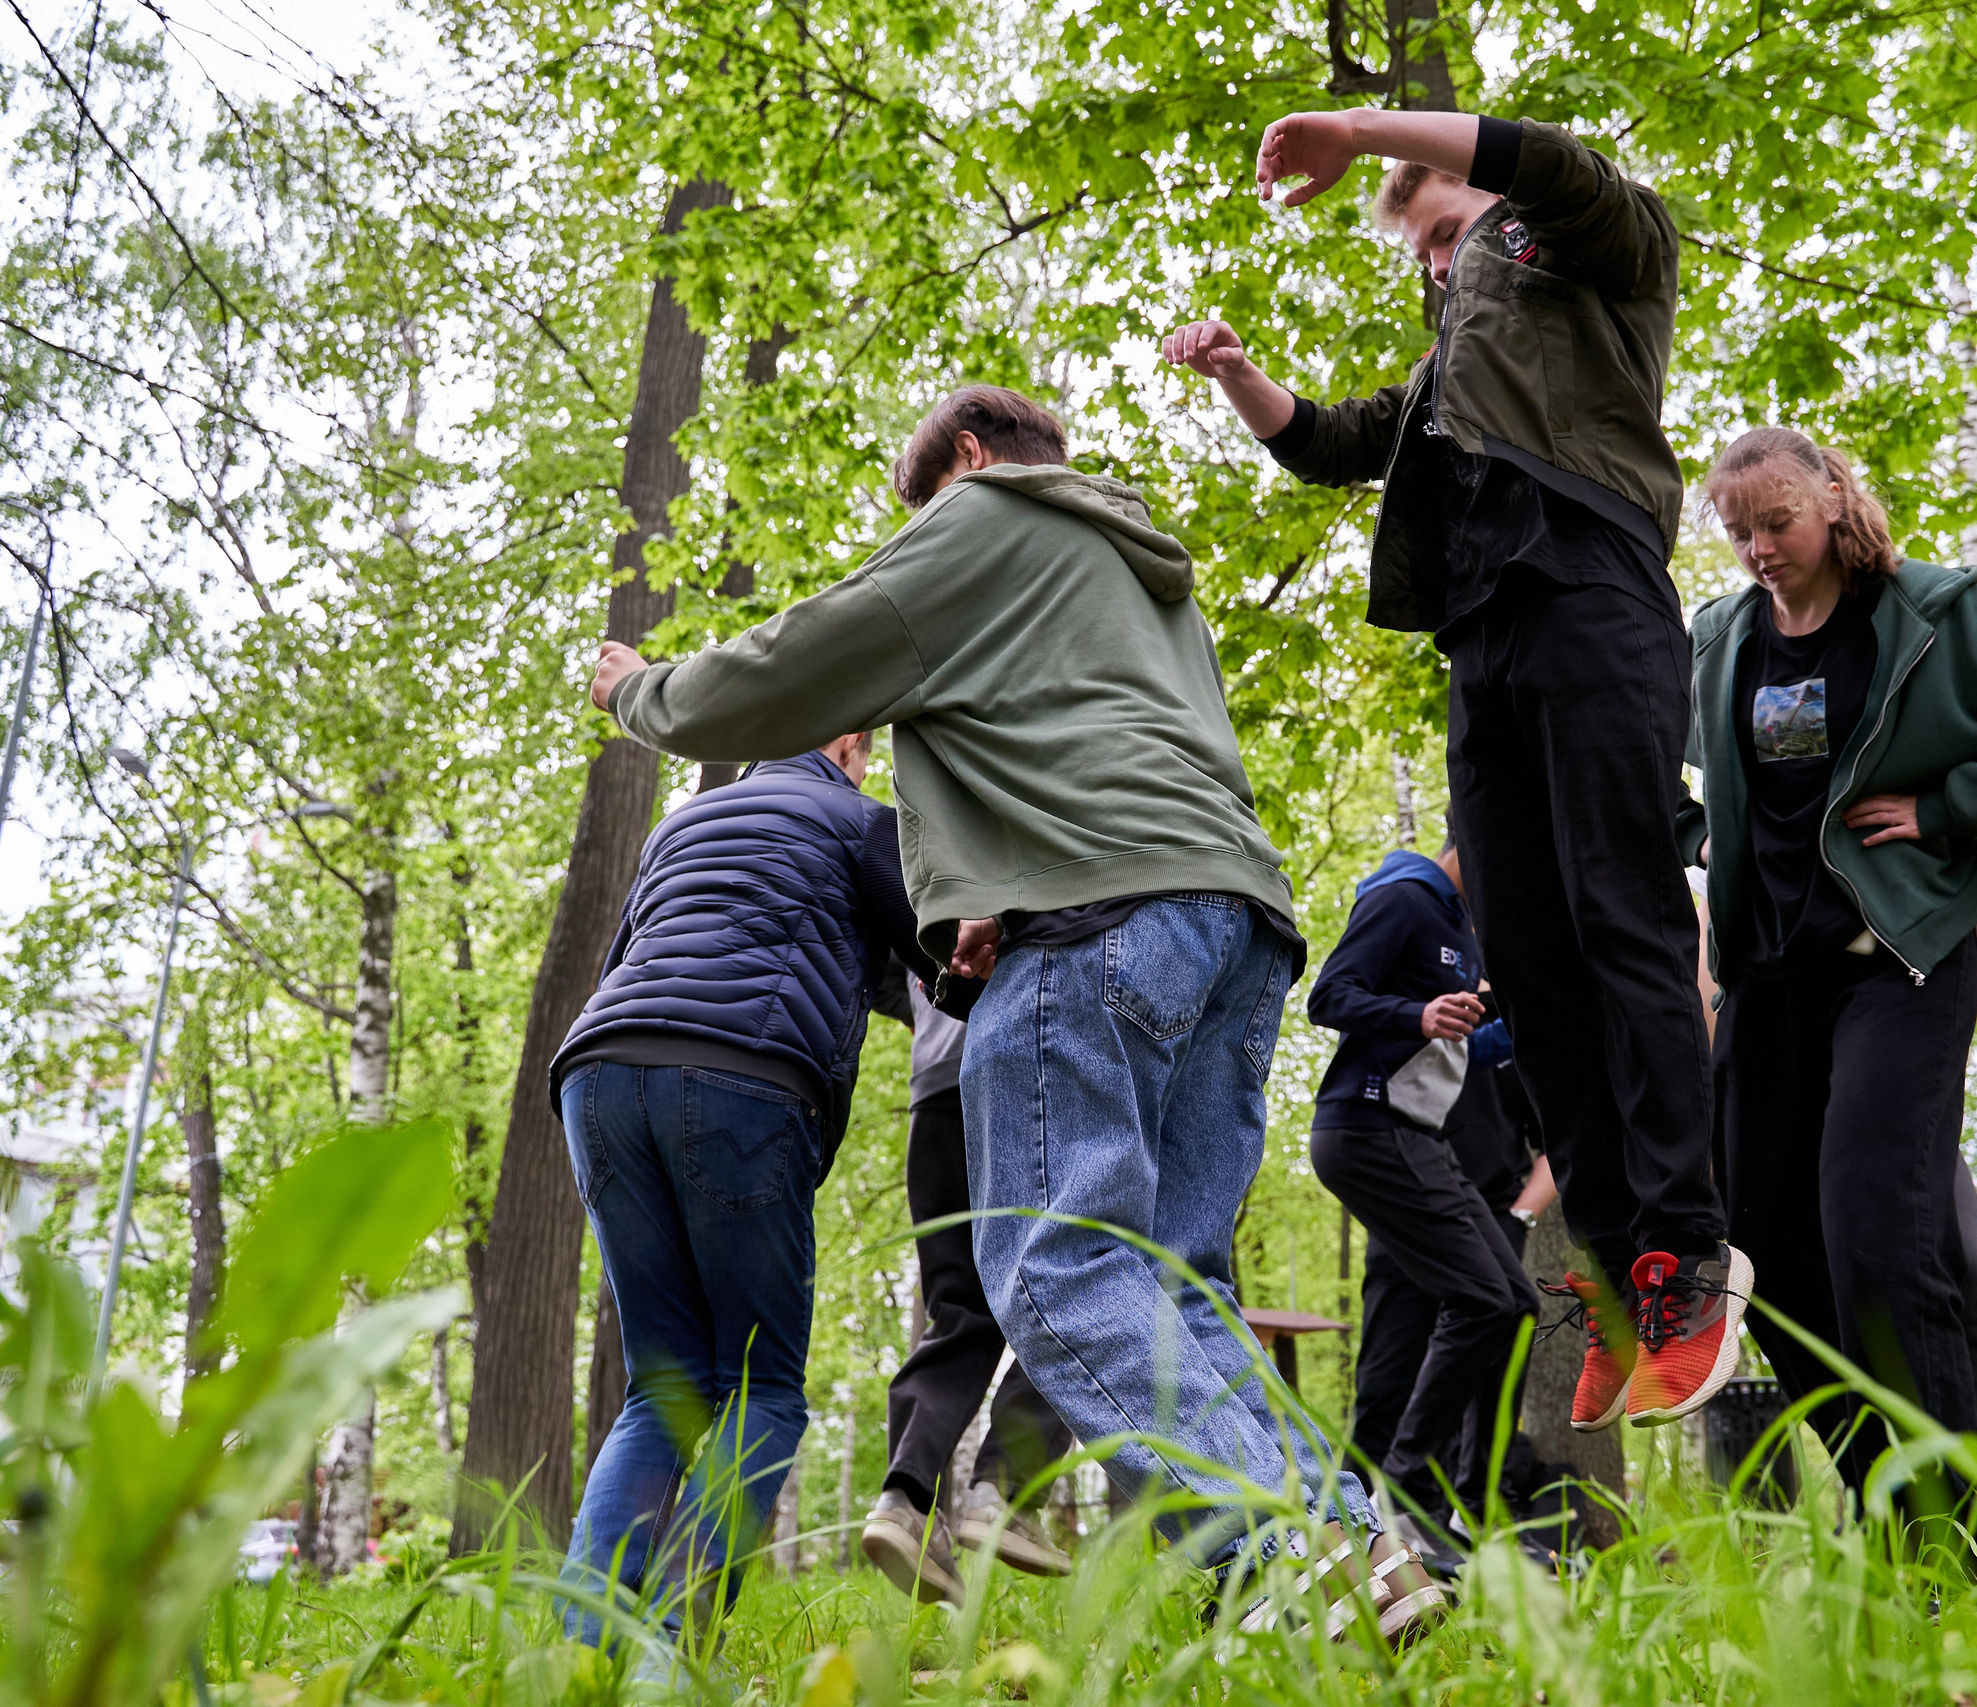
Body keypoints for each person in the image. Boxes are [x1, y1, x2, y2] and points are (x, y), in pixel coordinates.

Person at [588, 386, 1437, 1636]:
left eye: (918, 506)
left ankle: (1275, 1553)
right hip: (1228, 916)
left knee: (1052, 1265)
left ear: (971, 461)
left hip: (1094, 922)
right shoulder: (1137, 567)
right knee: (1175, 1282)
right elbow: (1072, 741)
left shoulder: (981, 517)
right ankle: (1363, 1560)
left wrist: (638, 692)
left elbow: (787, 670)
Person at [1162, 105, 1742, 1435]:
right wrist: (1239, 372)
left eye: (1446, 230)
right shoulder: (1447, 378)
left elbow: (1546, 165)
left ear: (1494, 216)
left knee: (1623, 917)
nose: (1436, 263)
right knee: (1529, 965)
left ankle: (1687, 1246)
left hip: (1591, 592)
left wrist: (1360, 137)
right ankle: (1616, 1259)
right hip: (1483, 643)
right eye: (1418, 251)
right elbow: (1328, 440)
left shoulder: (1600, 250)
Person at [1676, 425, 1977, 1516]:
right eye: (1737, 529)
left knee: (1875, 1238)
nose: (1757, 546)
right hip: (1767, 980)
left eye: (1777, 520)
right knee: (1771, 1258)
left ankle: (1954, 1543)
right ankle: (1900, 1510)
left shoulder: (1935, 617)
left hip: (1895, 965)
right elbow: (1648, 760)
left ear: (1835, 498)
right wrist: (1693, 839)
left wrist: (1954, 807)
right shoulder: (1717, 638)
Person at [549, 732, 938, 1648]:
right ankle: (668, 1650)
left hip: (599, 1076)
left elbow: (632, 963)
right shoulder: (857, 821)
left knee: (663, 1388)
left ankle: (578, 1649)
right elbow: (938, 960)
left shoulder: (679, 826)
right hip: (744, 1078)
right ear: (847, 743)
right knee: (762, 1387)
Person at [1305, 840, 1541, 1540]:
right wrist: (1418, 1014)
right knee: (1478, 1297)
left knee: (1514, 1302)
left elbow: (1464, 1048)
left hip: (1417, 1134)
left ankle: (1458, 1502)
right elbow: (1329, 996)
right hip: (1368, 1125)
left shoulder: (1463, 926)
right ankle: (1403, 1498)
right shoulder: (1402, 897)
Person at [859, 970, 1076, 1604]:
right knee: (1069, 1286)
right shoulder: (1024, 867)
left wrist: (934, 1003)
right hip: (1025, 1072)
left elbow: (882, 977)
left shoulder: (915, 875)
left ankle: (904, 1500)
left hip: (934, 1093)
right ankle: (1003, 1491)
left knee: (957, 1311)